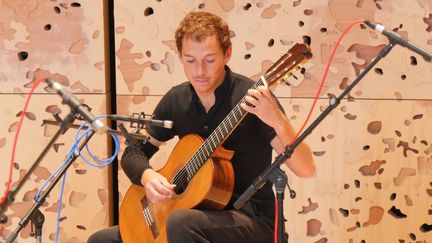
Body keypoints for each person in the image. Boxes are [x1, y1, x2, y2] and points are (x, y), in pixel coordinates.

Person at [88, 11, 315, 243]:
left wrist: (277, 120)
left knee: (181, 223)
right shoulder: (177, 100)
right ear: (180, 56)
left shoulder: (253, 99)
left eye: (209, 60)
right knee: (101, 240)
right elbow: (134, 152)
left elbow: (306, 169)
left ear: (227, 54)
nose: (199, 71)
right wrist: (147, 177)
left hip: (252, 219)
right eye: (190, 61)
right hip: (193, 216)